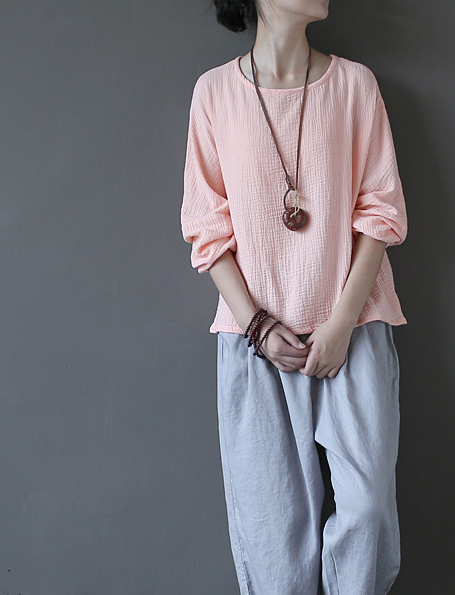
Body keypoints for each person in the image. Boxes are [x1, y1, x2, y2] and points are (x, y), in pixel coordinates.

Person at [180, 0, 408, 593]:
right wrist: (256, 325)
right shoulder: (214, 94)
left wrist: (341, 322)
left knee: (368, 512)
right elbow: (206, 228)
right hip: (254, 343)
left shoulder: (355, 85)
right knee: (272, 535)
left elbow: (381, 211)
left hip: (354, 331)